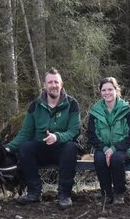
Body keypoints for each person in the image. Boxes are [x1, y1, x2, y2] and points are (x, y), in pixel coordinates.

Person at [8, 68, 82, 209]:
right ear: (44, 84)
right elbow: (25, 133)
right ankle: (34, 193)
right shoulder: (35, 105)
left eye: (56, 82)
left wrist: (57, 137)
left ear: (61, 84)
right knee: (25, 147)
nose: (53, 85)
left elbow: (74, 130)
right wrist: (8, 147)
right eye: (50, 82)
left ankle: (64, 195)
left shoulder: (72, 104)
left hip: (62, 149)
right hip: (40, 148)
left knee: (71, 147)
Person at [87, 77, 130, 205]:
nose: (107, 92)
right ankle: (106, 194)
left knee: (116, 158)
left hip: (124, 148)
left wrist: (113, 149)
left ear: (116, 90)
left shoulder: (126, 110)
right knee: (99, 158)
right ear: (100, 92)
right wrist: (105, 149)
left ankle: (119, 194)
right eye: (104, 90)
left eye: (110, 89)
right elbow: (91, 135)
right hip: (102, 148)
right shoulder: (95, 111)